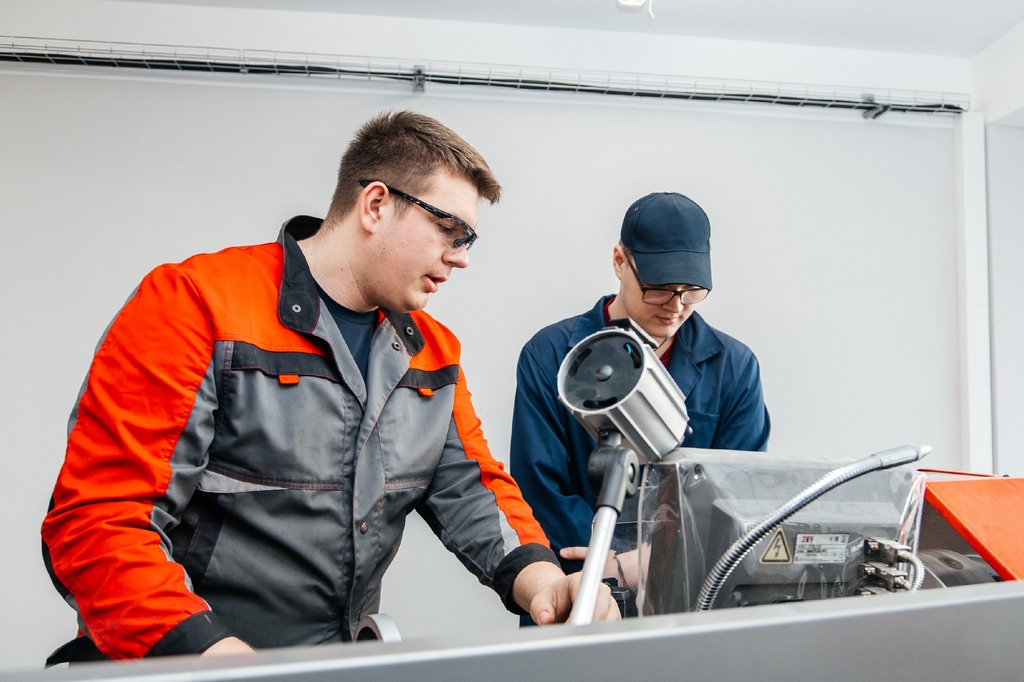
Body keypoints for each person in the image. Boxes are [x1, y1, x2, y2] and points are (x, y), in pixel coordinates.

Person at [41, 111, 617, 664]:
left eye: (470, 240)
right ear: (376, 205)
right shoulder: (195, 306)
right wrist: (216, 658)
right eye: (450, 230)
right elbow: (99, 523)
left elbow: (473, 491)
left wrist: (545, 581)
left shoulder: (432, 353)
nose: (461, 258)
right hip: (184, 664)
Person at [510, 191, 770, 584]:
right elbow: (540, 487)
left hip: (689, 588)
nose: (676, 306)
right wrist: (611, 565)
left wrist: (655, 563)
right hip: (574, 580)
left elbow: (739, 498)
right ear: (620, 261)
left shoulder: (734, 367)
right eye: (659, 287)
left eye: (691, 290)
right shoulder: (550, 355)